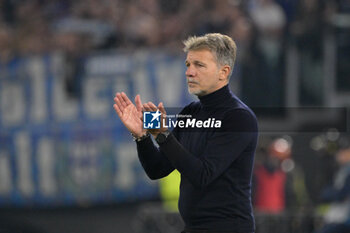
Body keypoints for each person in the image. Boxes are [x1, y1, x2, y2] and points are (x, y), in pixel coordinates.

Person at [113, 33, 258, 233]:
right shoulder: (190, 112)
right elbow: (157, 169)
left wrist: (162, 135)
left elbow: (203, 175)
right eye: (188, 64)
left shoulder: (238, 118)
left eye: (199, 65)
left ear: (223, 72)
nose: (190, 72)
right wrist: (142, 136)